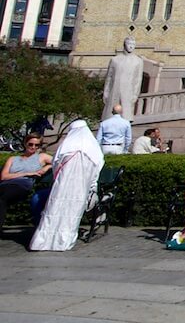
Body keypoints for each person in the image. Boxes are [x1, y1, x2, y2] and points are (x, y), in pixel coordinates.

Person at [30, 120, 104, 251]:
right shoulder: (92, 147)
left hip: (61, 187)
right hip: (81, 189)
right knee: (71, 213)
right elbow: (96, 169)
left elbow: (55, 164)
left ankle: (43, 241)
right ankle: (63, 241)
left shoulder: (66, 146)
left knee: (54, 210)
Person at [0, 132, 53, 231]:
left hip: (21, 186)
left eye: (37, 145)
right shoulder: (13, 159)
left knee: (2, 199)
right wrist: (27, 173)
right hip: (5, 184)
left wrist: (47, 167)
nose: (33, 147)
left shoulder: (42, 157)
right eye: (31, 144)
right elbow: (3, 176)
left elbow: (60, 161)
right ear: (25, 143)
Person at [102, 36, 143, 121]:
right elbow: (109, 78)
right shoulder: (115, 60)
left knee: (126, 116)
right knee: (110, 115)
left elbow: (138, 80)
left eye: (133, 44)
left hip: (128, 92)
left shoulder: (138, 61)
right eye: (129, 44)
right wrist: (106, 93)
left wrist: (135, 94)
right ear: (124, 44)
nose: (131, 46)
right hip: (114, 91)